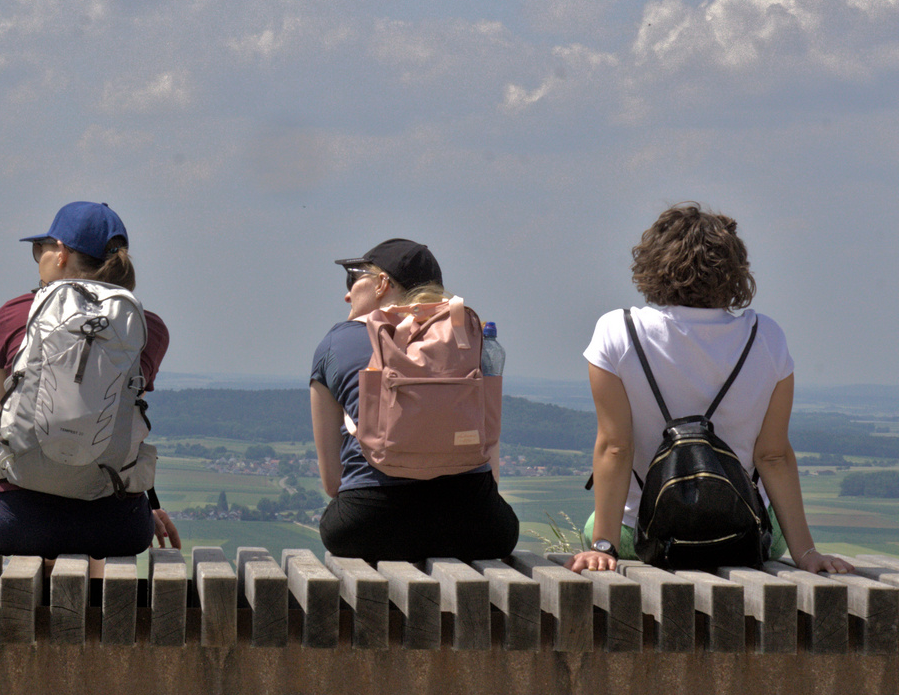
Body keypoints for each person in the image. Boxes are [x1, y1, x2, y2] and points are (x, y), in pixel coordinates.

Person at [569, 204, 853, 574]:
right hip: (743, 535)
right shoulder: (765, 336)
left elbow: (616, 447)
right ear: (735, 271)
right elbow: (773, 456)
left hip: (647, 533)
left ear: (653, 264)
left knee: (596, 526)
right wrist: (807, 553)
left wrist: (603, 545)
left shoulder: (618, 330)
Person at [0, 201, 181, 557]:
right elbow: (108, 421)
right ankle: (90, 611)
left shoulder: (15, 314)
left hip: (13, 522)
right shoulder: (148, 329)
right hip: (117, 526)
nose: (39, 258)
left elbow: (14, 414)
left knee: (41, 525)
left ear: (61, 253)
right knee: (94, 535)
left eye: (40, 248)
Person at [309, 238, 518, 561]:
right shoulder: (469, 337)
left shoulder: (335, 343)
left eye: (353, 279)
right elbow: (489, 454)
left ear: (382, 284)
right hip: (480, 527)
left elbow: (333, 482)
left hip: (367, 526)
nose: (347, 294)